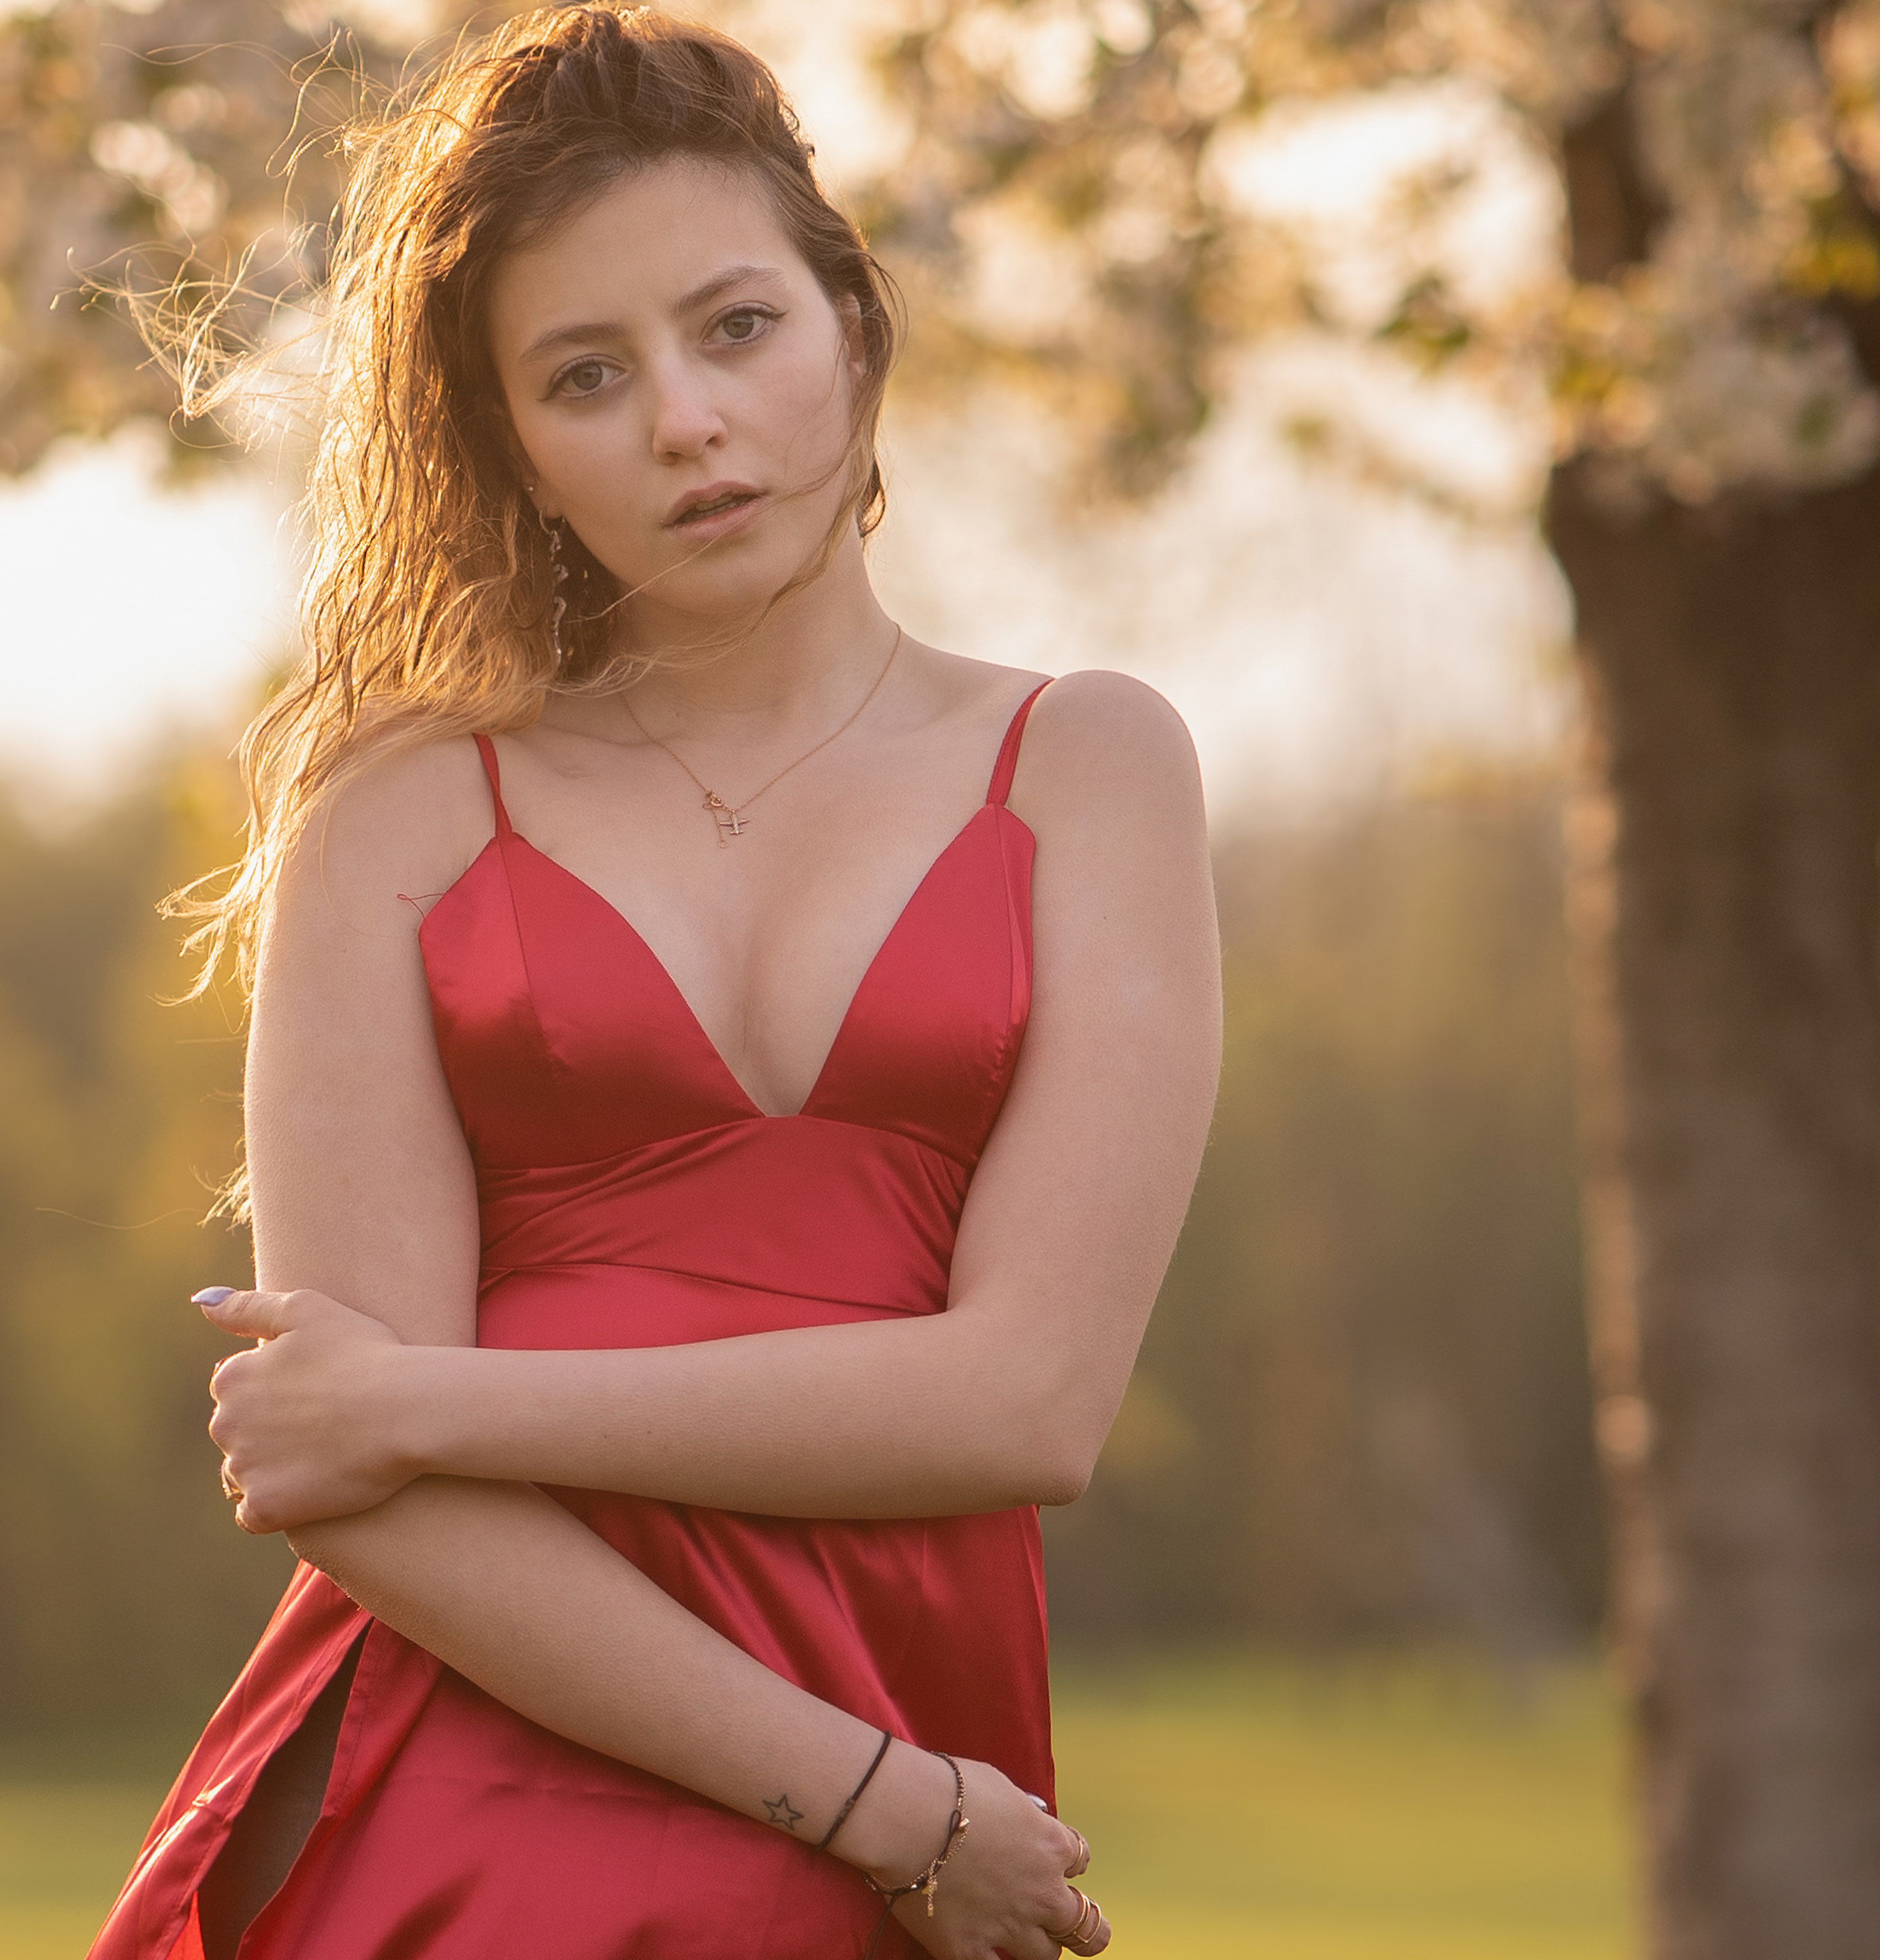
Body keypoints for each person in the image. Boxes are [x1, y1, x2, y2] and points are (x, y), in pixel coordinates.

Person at [86, 8, 1219, 1957]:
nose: (685, 420)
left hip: (914, 1753)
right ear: (515, 447)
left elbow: (1027, 1400)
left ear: (853, 325)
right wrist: (882, 1807)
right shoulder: (404, 807)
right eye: (585, 376)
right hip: (475, 1780)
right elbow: (354, 1489)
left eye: (737, 329)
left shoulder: (1093, 768)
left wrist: (435, 1400)